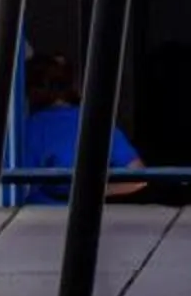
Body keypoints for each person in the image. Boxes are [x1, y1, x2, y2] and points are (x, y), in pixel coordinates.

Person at [12, 51, 143, 203]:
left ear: (30, 91)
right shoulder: (96, 120)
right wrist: (88, 192)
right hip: (85, 216)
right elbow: (137, 177)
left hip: (38, 214)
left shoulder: (31, 127)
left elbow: (19, 186)